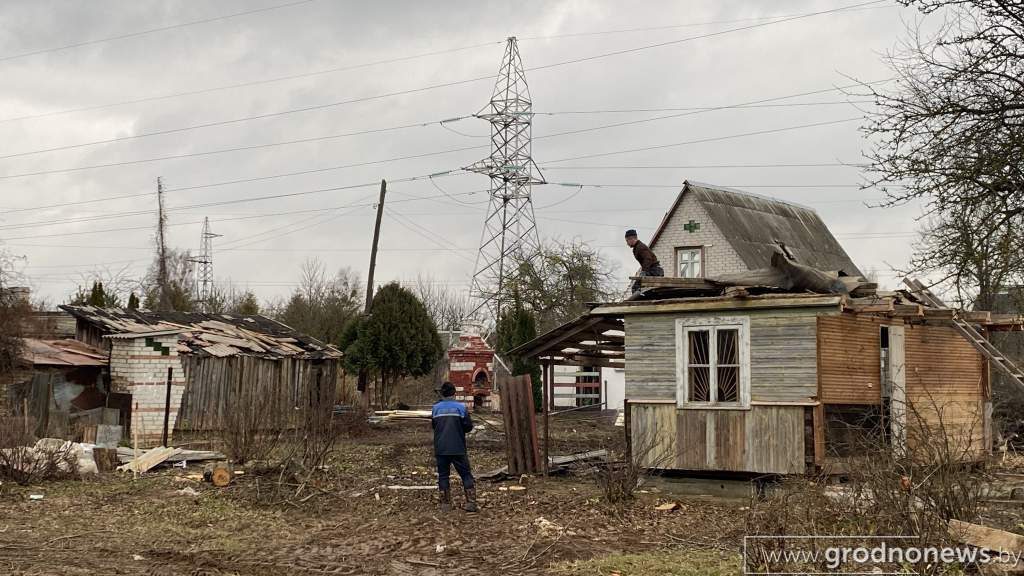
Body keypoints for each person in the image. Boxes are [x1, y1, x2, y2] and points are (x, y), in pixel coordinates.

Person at [431, 381, 478, 513]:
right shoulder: (461, 408)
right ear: (454, 393)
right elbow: (468, 427)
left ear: (442, 393)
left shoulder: (436, 408)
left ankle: (445, 504)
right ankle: (471, 503)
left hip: (441, 448)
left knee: (443, 475)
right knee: (466, 474)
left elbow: (434, 426)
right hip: (458, 447)